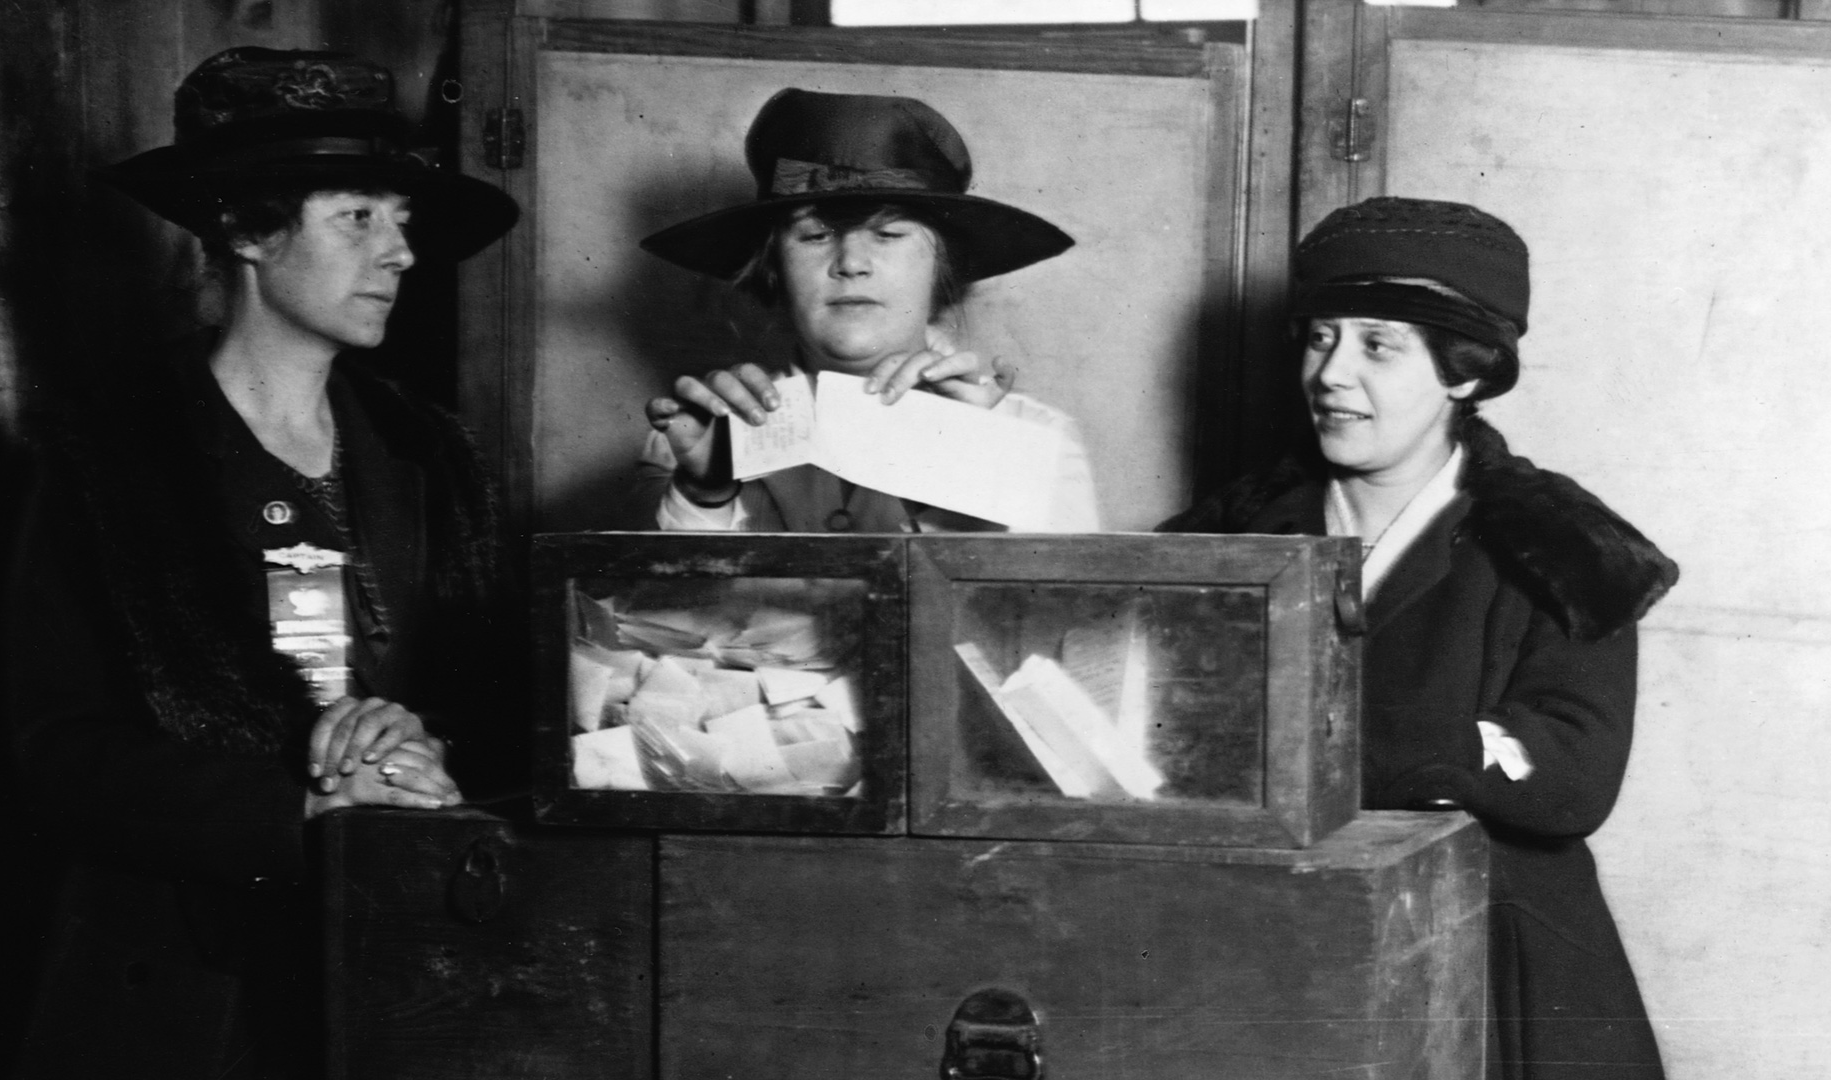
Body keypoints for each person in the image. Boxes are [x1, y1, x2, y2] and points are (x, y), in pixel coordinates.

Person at [2, 47, 519, 1078]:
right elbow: (53, 755)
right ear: (244, 230)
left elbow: (495, 701)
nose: (401, 254)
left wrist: (419, 751)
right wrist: (301, 805)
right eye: (358, 217)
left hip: (408, 973)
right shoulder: (111, 460)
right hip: (184, 997)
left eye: (402, 219)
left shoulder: (431, 452)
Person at [1160, 197, 1677, 1079]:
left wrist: (1298, 740)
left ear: (1464, 374)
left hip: (1485, 952)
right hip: (1258, 933)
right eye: (1321, 338)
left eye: (1378, 346)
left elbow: (1570, 778)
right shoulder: (1229, 535)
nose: (1330, 373)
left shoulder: (1563, 547)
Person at [635, 88, 1099, 533]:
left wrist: (963, 458)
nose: (851, 263)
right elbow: (645, 612)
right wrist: (703, 494)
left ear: (944, 268)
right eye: (815, 235)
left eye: (889, 234)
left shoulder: (1036, 438)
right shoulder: (693, 439)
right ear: (772, 266)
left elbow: (1054, 612)